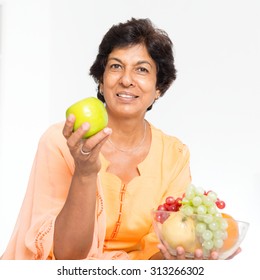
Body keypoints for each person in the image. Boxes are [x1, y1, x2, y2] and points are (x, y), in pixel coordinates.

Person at [0, 18, 237, 260]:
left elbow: (157, 256)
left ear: (159, 88)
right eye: (115, 66)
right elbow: (67, 257)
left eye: (142, 69)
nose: (126, 79)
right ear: (101, 82)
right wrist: (85, 172)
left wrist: (180, 256)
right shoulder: (62, 142)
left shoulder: (174, 154)